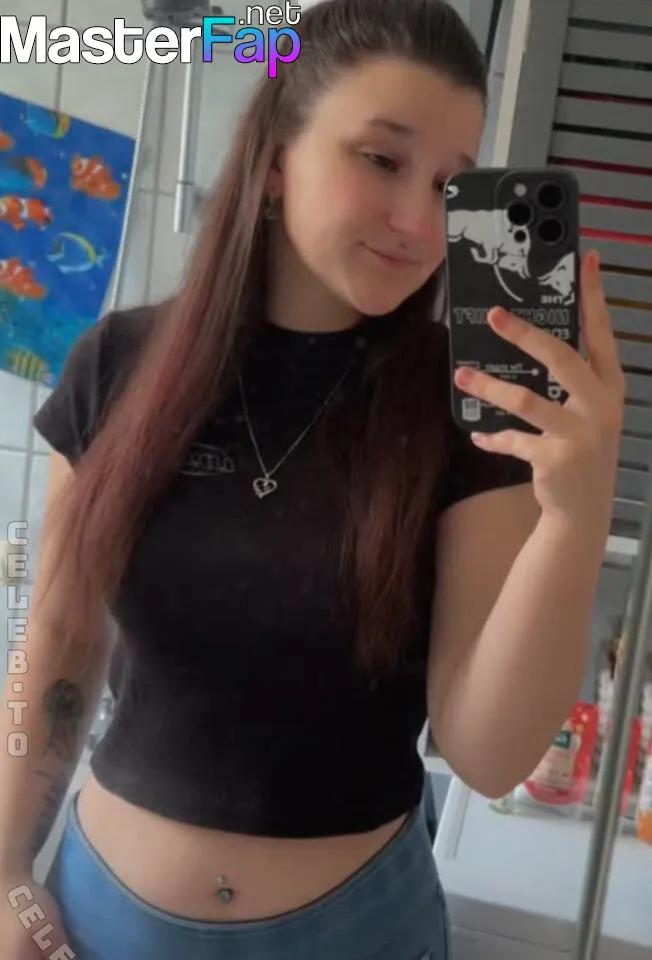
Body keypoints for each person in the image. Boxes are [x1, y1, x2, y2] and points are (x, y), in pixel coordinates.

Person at [0, 0, 625, 957]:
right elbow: (55, 639)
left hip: (358, 932)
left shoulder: (465, 402)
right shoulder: (116, 368)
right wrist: (4, 871)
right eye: (381, 159)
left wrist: (574, 520)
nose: (419, 220)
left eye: (451, 184)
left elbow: (490, 755)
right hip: (100, 923)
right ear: (276, 160)